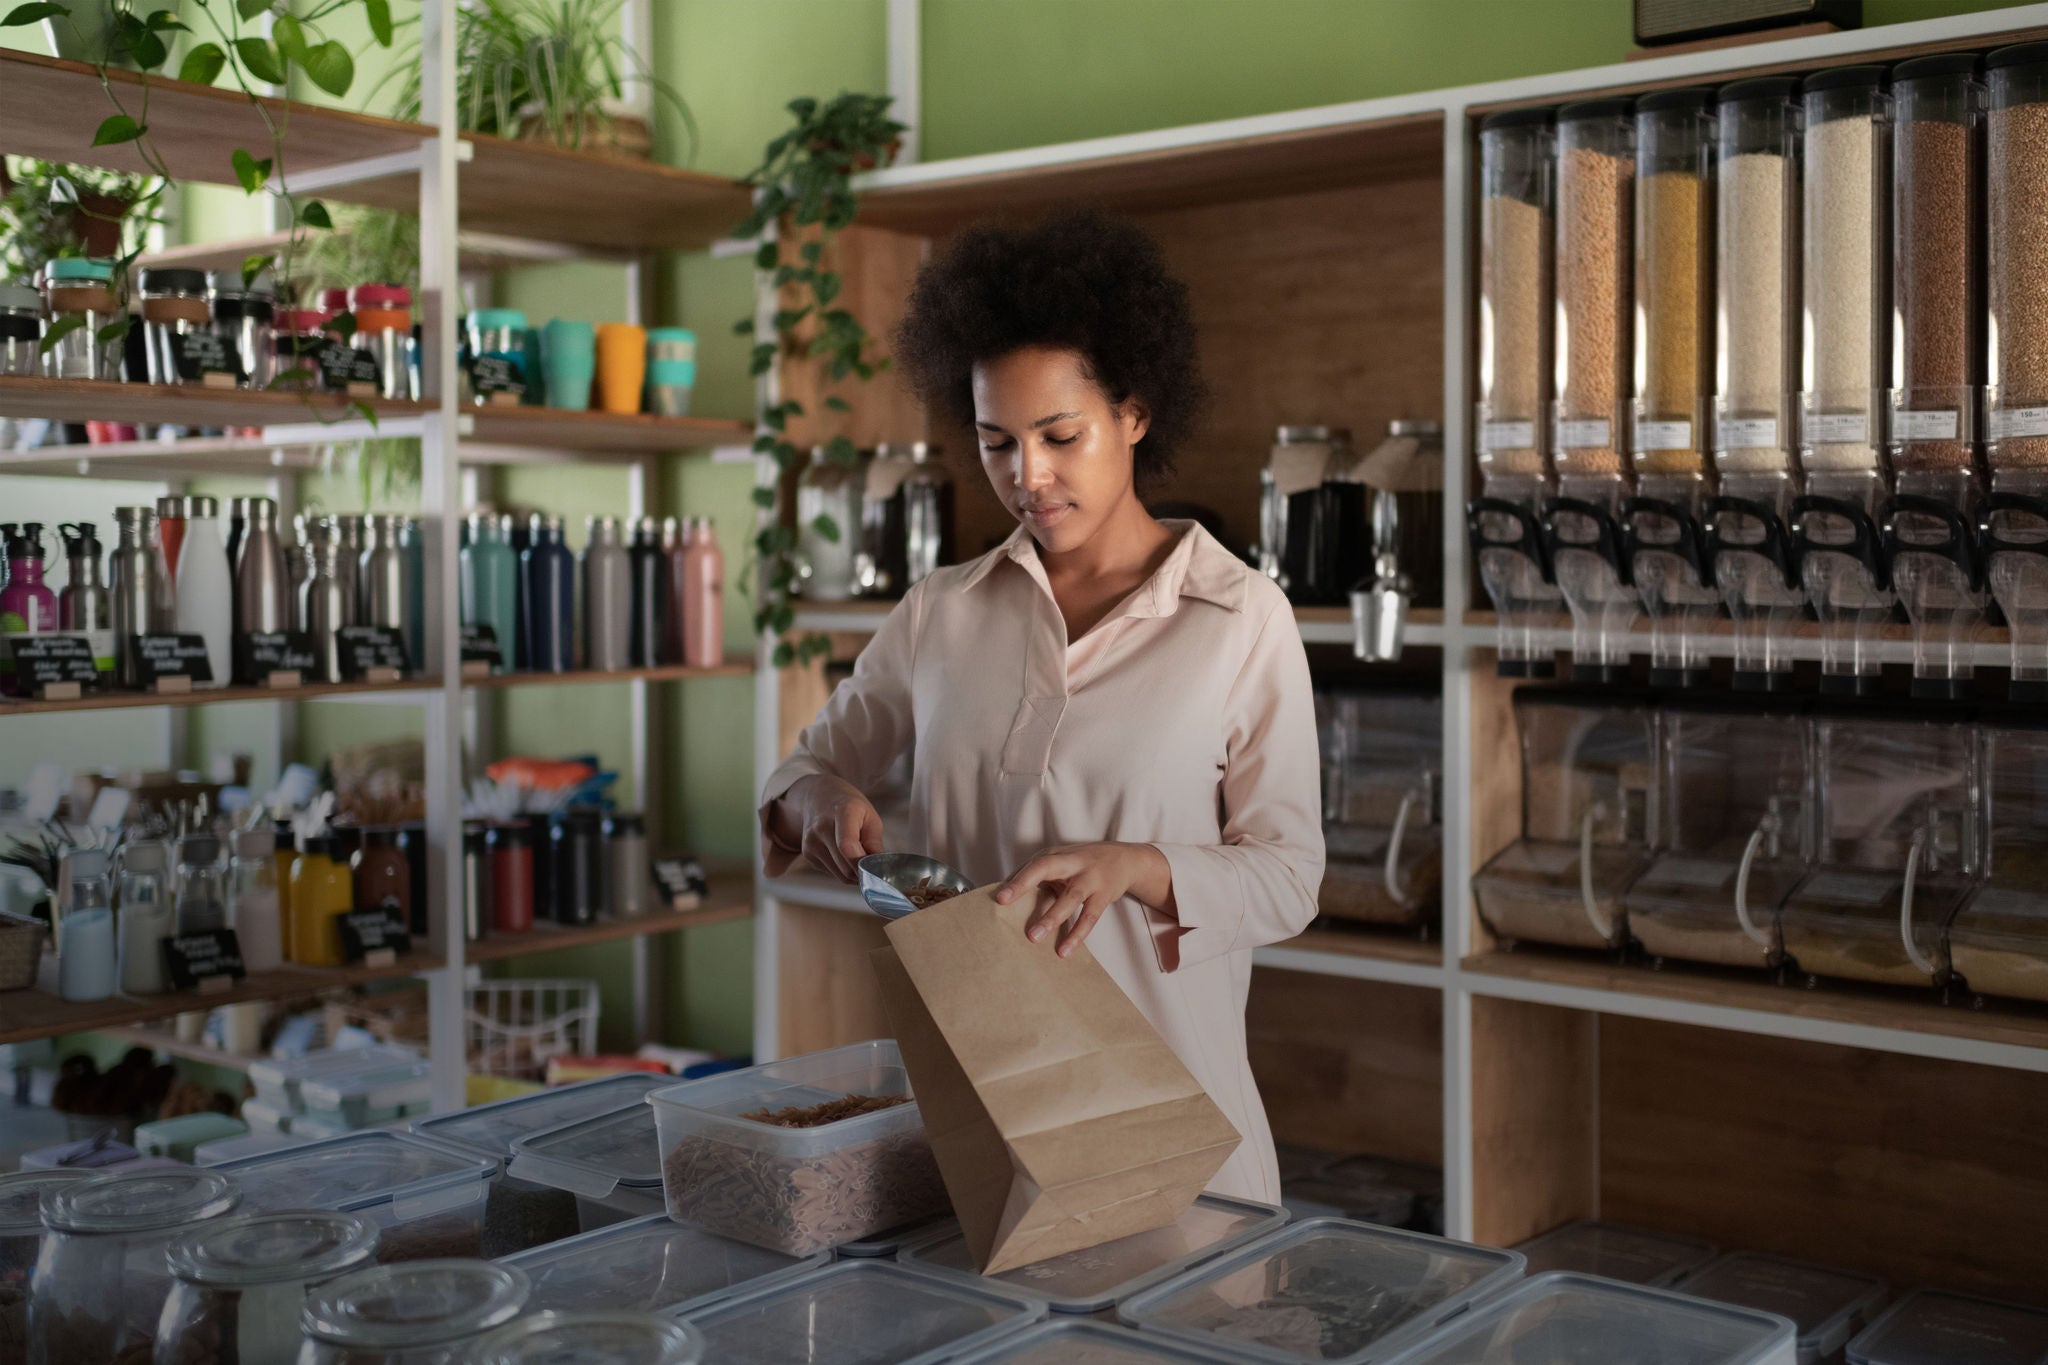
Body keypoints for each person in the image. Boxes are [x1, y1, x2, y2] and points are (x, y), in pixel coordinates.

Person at [758, 209, 1324, 1202]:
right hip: (976, 1145)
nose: (1028, 476)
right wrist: (815, 805)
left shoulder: (1237, 618)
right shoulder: (941, 613)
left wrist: (1140, 868)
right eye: (996, 442)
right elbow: (801, 769)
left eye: (1059, 435)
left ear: (1136, 412)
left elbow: (1289, 877)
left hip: (1179, 1150)